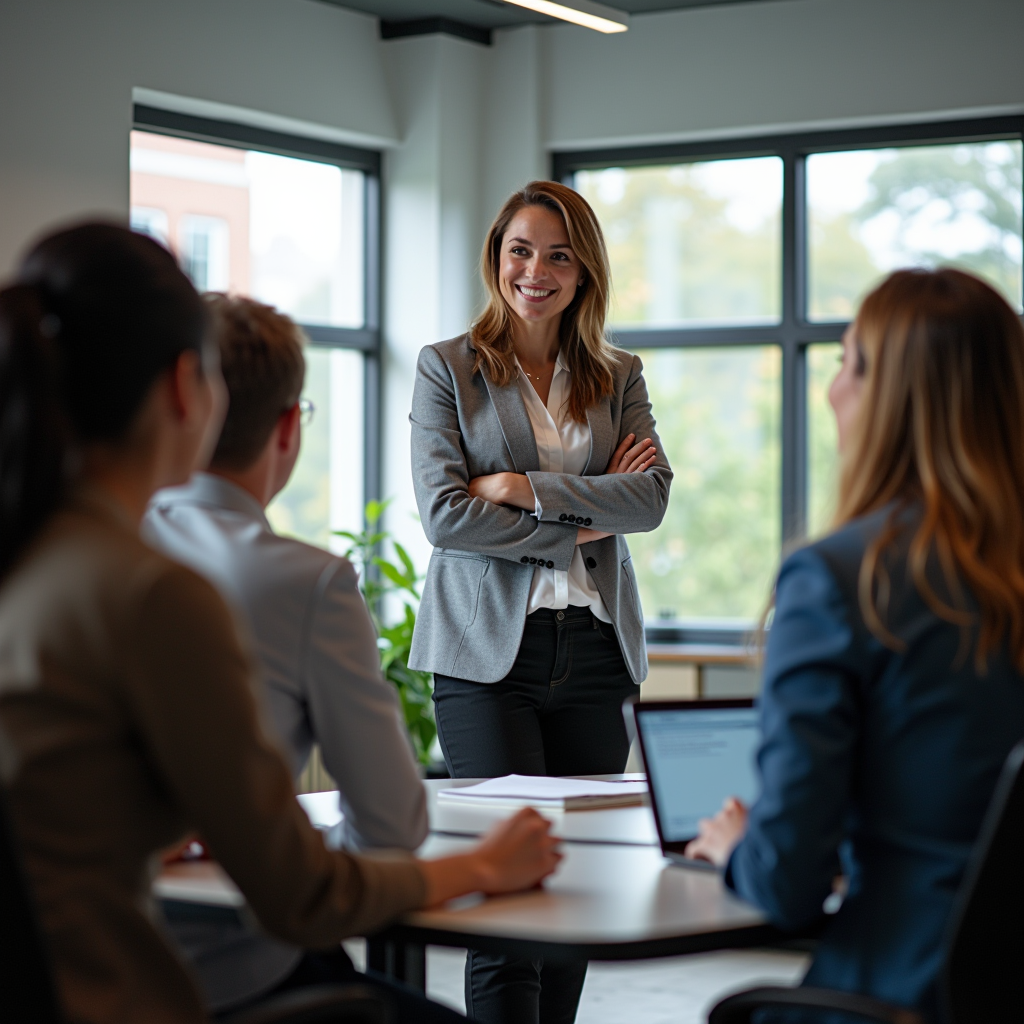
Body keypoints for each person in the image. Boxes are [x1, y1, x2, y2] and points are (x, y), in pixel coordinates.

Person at [0, 222, 562, 1024]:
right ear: (187, 389)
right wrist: (481, 865)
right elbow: (305, 897)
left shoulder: (38, 559)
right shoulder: (155, 593)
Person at [684, 268, 1024, 1020]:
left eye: (845, 362)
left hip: (902, 991)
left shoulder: (842, 578)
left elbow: (786, 884)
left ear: (887, 396)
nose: (834, 388)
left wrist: (743, 845)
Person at [409, 180, 672, 1024]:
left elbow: (653, 499)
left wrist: (523, 486)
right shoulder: (447, 367)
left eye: (559, 254)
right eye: (521, 250)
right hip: (488, 661)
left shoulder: (617, 373)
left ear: (584, 269)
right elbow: (447, 517)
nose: (537, 270)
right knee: (510, 905)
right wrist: (587, 509)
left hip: (595, 655)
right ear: (497, 258)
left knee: (575, 900)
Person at [142, 293, 429, 1014]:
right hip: (235, 973)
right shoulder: (308, 582)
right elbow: (391, 830)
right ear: (288, 428)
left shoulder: (93, 548)